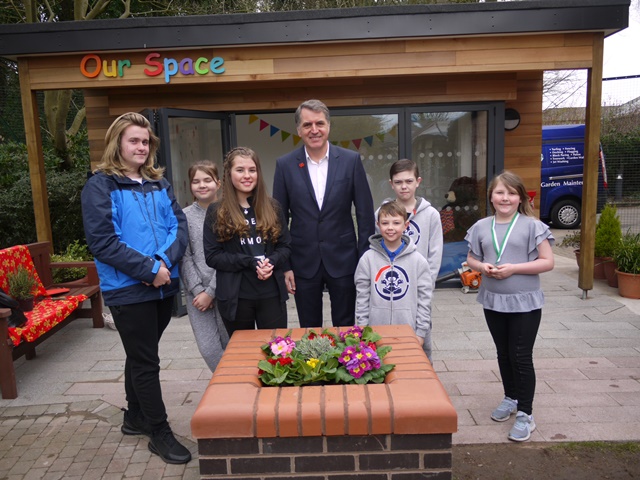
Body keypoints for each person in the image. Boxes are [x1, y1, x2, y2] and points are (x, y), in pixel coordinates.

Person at [81, 112, 191, 464]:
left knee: (140, 353)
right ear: (118, 143)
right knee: (147, 361)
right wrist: (147, 269)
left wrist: (162, 263)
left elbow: (180, 226)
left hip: (163, 284)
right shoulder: (100, 186)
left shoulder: (159, 182)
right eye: (134, 140)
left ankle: (134, 416)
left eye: (146, 141)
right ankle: (159, 431)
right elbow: (103, 242)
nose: (142, 147)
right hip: (128, 290)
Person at [465, 170, 554, 442]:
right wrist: (483, 267)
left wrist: (513, 269)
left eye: (511, 193)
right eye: (500, 192)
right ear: (491, 196)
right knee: (503, 353)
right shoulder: (481, 226)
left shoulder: (531, 225)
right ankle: (510, 398)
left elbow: (547, 261)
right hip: (493, 300)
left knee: (520, 355)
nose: (505, 198)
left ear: (520, 197)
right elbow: (471, 257)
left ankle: (526, 414)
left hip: (525, 301)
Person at [273, 99, 375, 328]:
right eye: (307, 125)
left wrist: (363, 258)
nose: (314, 130)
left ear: (328, 126)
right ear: (299, 130)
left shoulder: (350, 161)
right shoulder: (285, 165)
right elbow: (278, 218)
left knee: (346, 326)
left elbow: (365, 214)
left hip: (345, 259)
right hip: (302, 261)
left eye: (319, 123)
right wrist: (286, 265)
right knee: (309, 329)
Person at [203, 147, 290, 336]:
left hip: (271, 294)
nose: (247, 175)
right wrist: (250, 262)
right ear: (229, 174)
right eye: (240, 170)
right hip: (236, 296)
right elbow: (213, 256)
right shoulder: (216, 211)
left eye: (252, 170)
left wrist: (272, 261)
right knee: (241, 355)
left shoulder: (273, 206)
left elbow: (285, 246)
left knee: (276, 351)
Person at [375, 158, 443, 360]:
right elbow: (378, 248)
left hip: (418, 287)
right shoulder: (381, 213)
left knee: (421, 336)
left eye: (408, 181)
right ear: (391, 184)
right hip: (391, 286)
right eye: (398, 182)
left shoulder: (431, 214)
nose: (404, 186)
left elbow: (435, 253)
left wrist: (427, 285)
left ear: (418, 181)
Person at [355, 201, 432, 356]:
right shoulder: (367, 259)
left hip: (408, 331)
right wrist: (362, 329)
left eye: (396, 223)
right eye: (385, 223)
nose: (390, 228)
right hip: (375, 331)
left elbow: (425, 299)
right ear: (378, 225)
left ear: (406, 225)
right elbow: (362, 297)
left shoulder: (418, 261)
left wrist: (421, 332)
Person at [180, 161, 229, 372]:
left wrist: (212, 291)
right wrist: (199, 290)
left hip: (227, 288)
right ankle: (227, 388)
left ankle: (237, 392)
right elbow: (184, 256)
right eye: (196, 181)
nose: (202, 185)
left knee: (231, 344)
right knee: (209, 348)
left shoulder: (230, 213)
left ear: (218, 183)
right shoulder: (183, 216)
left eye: (207, 180)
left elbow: (230, 255)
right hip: (197, 295)